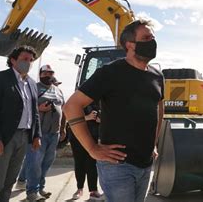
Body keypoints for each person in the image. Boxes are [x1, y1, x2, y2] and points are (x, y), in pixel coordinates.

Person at [64, 19, 165, 202]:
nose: (152, 41)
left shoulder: (157, 76)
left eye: (153, 37)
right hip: (118, 166)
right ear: (129, 45)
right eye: (147, 37)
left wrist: (154, 143)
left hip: (145, 163)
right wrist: (92, 148)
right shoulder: (110, 73)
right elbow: (71, 106)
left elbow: (159, 108)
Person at [16, 65, 67, 200]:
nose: (49, 75)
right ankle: (32, 192)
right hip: (37, 133)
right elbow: (23, 108)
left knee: (47, 163)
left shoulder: (58, 90)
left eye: (51, 72)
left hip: (54, 133)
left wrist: (63, 129)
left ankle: (40, 187)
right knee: (35, 163)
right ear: (40, 74)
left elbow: (64, 110)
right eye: (45, 72)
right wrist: (39, 109)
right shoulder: (33, 87)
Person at [0, 46, 41, 202]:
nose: (28, 63)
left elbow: (34, 111)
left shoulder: (31, 83)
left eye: (30, 60)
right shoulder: (1, 79)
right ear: (13, 60)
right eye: (24, 59)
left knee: (10, 179)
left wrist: (36, 135)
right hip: (5, 137)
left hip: (24, 137)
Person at [68, 101, 104, 200]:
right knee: (79, 163)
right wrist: (87, 117)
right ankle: (79, 189)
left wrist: (101, 119)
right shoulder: (76, 101)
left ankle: (93, 191)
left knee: (92, 163)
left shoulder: (100, 101)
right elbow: (70, 117)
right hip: (77, 136)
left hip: (94, 135)